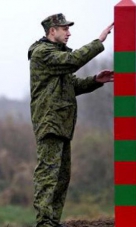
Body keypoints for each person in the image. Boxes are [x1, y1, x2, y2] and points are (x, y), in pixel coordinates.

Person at [27, 13, 114, 227]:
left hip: (61, 124)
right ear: (52, 31)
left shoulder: (56, 58)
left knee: (61, 177)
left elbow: (71, 85)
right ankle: (45, 222)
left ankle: (53, 220)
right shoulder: (43, 53)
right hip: (50, 123)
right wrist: (99, 41)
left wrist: (95, 80)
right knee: (48, 175)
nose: (69, 33)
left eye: (68, 28)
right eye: (64, 29)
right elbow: (73, 61)